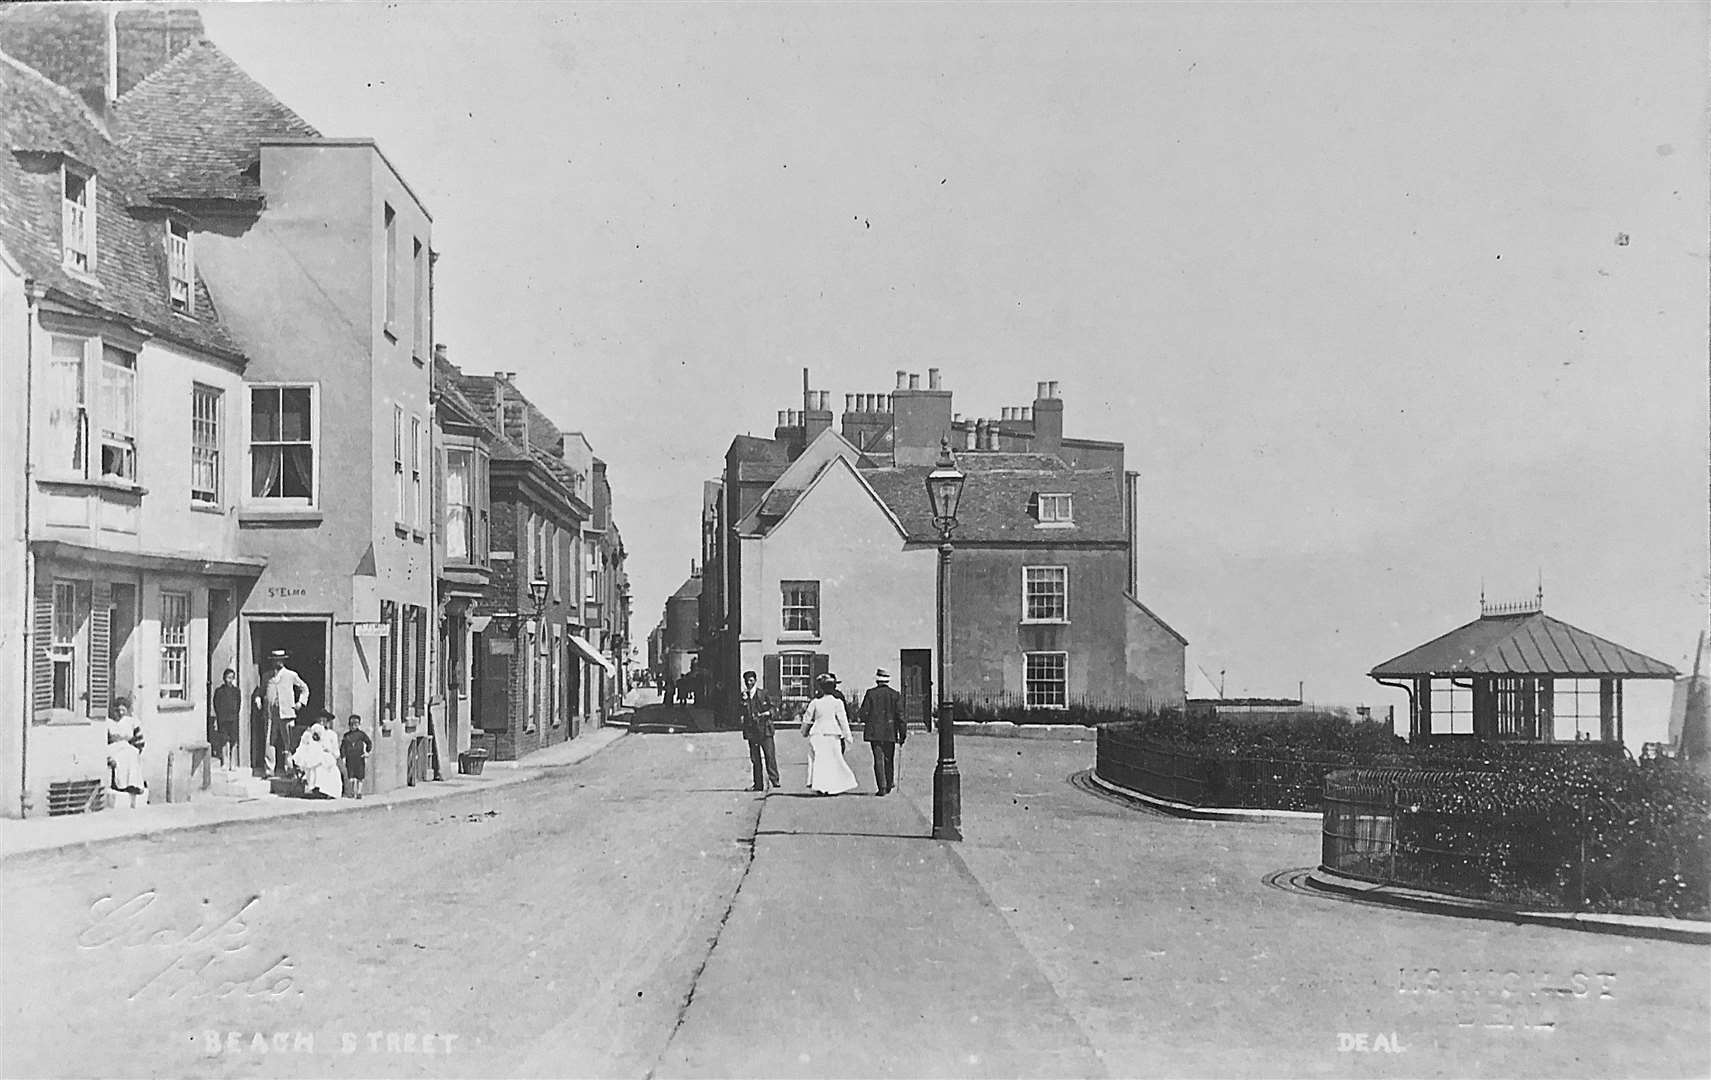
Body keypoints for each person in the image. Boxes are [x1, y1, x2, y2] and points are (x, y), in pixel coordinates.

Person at [801, 673, 857, 796]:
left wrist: (804, 732)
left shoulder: (815, 702)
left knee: (819, 761)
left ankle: (820, 786)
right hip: (832, 734)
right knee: (832, 760)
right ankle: (830, 787)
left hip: (817, 734)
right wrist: (848, 737)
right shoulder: (837, 702)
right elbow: (843, 720)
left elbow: (807, 719)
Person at [259, 649, 310, 776]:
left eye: (281, 660)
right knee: (269, 741)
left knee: (289, 742)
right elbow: (260, 691)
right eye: (276, 660)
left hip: (287, 713)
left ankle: (290, 769)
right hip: (271, 714)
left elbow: (305, 689)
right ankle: (269, 770)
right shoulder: (267, 676)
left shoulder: (290, 675)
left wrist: (300, 702)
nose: (279, 662)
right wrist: (258, 699)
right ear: (272, 661)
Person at [859, 668, 907, 795]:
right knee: (889, 758)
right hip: (890, 731)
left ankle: (882, 787)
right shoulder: (895, 694)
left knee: (878, 759)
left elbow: (863, 714)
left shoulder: (870, 693)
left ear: (877, 680)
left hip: (874, 732)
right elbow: (900, 716)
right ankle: (889, 782)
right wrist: (902, 734)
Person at [738, 670, 780, 792]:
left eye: (751, 680)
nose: (749, 683)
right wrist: (744, 702)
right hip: (752, 731)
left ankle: (775, 780)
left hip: (765, 729)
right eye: (747, 681)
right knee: (755, 759)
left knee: (770, 756)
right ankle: (758, 784)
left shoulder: (763, 693)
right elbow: (741, 712)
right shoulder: (743, 696)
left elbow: (773, 708)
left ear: (755, 680)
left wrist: (767, 713)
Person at [106, 697, 145, 809]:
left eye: (123, 710)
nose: (121, 713)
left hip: (128, 747)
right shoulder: (109, 723)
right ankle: (120, 785)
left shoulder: (132, 722)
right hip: (113, 749)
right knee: (121, 758)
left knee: (131, 754)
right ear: (114, 710)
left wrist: (136, 750)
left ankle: (133, 784)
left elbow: (140, 741)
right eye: (118, 710)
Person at [290, 714, 341, 799]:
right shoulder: (311, 733)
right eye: (319, 720)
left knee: (325, 766)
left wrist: (329, 750)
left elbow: (336, 751)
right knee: (313, 766)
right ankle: (315, 788)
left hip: (327, 757)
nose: (321, 722)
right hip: (313, 756)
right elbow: (306, 745)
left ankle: (326, 790)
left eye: (324, 720)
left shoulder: (332, 734)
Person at [210, 668, 241, 769]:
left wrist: (234, 713)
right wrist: (220, 715)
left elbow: (238, 704)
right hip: (223, 719)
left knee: (234, 740)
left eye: (232, 678)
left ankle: (233, 763)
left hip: (233, 719)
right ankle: (225, 762)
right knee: (224, 740)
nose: (230, 680)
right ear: (224, 678)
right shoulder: (219, 691)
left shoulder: (236, 691)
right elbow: (216, 704)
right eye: (228, 678)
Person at [340, 715, 373, 799]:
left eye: (356, 724)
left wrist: (367, 752)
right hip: (350, 758)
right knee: (351, 776)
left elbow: (369, 742)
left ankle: (359, 792)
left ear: (358, 725)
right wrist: (343, 756)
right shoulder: (346, 736)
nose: (353, 726)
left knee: (360, 776)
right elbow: (343, 747)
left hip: (359, 758)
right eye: (351, 724)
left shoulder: (361, 734)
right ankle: (352, 792)